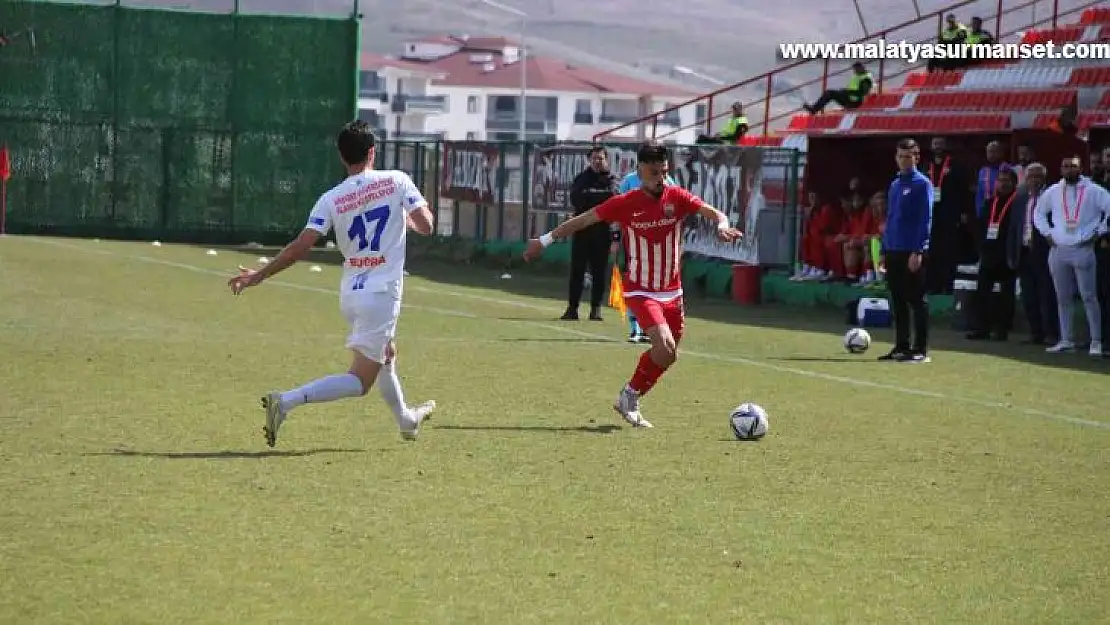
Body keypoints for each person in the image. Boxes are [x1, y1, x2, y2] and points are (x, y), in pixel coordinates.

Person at [227, 121, 437, 447]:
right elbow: (426, 226)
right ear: (372, 152)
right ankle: (286, 401)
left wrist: (260, 274)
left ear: (342, 157)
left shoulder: (331, 198)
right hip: (380, 294)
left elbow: (301, 245)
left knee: (386, 353)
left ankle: (407, 421)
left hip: (351, 294)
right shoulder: (397, 180)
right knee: (360, 381)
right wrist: (406, 217)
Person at [523, 140, 742, 428]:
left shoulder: (677, 197)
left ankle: (629, 396)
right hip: (641, 289)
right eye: (653, 172)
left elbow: (715, 213)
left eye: (663, 172)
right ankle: (629, 397)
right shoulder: (625, 203)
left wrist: (722, 226)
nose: (659, 178)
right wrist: (544, 240)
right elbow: (584, 219)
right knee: (663, 346)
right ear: (640, 170)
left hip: (672, 290)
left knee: (669, 354)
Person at [1033, 155, 1110, 356]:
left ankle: (1095, 341)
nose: (1068, 170)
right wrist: (1047, 233)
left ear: (1080, 168)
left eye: (1073, 166)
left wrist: (1100, 232)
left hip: (1083, 248)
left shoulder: (1094, 190)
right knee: (1062, 297)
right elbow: (1038, 213)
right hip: (1058, 248)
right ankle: (1066, 339)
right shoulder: (1053, 191)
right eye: (1065, 166)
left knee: (1089, 297)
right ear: (1060, 169)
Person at [878, 138, 933, 363]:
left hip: (911, 250)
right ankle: (901, 346)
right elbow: (890, 218)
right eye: (900, 156)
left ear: (916, 157)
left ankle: (919, 349)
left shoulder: (922, 184)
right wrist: (883, 248)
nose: (904, 161)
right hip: (893, 248)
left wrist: (918, 250)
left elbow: (925, 219)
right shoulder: (895, 184)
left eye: (908, 156)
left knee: (916, 299)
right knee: (898, 299)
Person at [617, 168, 677, 341]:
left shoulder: (668, 181)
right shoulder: (629, 181)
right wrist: (616, 236)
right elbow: (618, 206)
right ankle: (635, 328)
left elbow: (675, 206)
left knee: (657, 286)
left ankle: (652, 327)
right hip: (634, 241)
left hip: (658, 244)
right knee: (635, 283)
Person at [563, 146, 619, 321]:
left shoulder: (612, 179)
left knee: (599, 272)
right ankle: (572, 308)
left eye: (601, 158)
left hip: (602, 232)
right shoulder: (582, 178)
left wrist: (592, 197)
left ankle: (596, 309)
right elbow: (577, 199)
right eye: (594, 158)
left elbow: (613, 198)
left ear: (606, 160)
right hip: (582, 230)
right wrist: (599, 199)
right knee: (577, 271)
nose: (597, 161)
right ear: (589, 160)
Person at [966, 167, 1020, 341]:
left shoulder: (1018, 203)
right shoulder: (990, 202)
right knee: (982, 291)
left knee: (1006, 294)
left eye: (1006, 181)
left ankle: (1002, 329)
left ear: (1014, 183)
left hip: (1007, 254)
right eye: (1000, 180)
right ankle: (981, 328)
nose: (1002, 184)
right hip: (989, 253)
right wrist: (981, 247)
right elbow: (981, 226)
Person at [1013, 163, 1059, 346]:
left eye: (1037, 176)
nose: (1033, 180)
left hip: (1044, 252)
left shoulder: (1052, 198)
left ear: (1044, 178)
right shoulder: (1021, 198)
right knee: (1028, 295)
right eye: (1030, 176)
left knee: (1047, 294)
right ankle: (1035, 333)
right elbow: (1015, 227)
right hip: (1024, 252)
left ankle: (1052, 334)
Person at [802, 63, 873, 114]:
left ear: (861, 68)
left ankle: (814, 110)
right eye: (854, 70)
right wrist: (845, 91)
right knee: (829, 93)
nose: (855, 71)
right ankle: (814, 109)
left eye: (856, 69)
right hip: (849, 98)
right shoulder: (858, 76)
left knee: (829, 93)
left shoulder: (866, 79)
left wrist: (847, 92)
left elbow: (862, 93)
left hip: (855, 102)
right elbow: (853, 88)